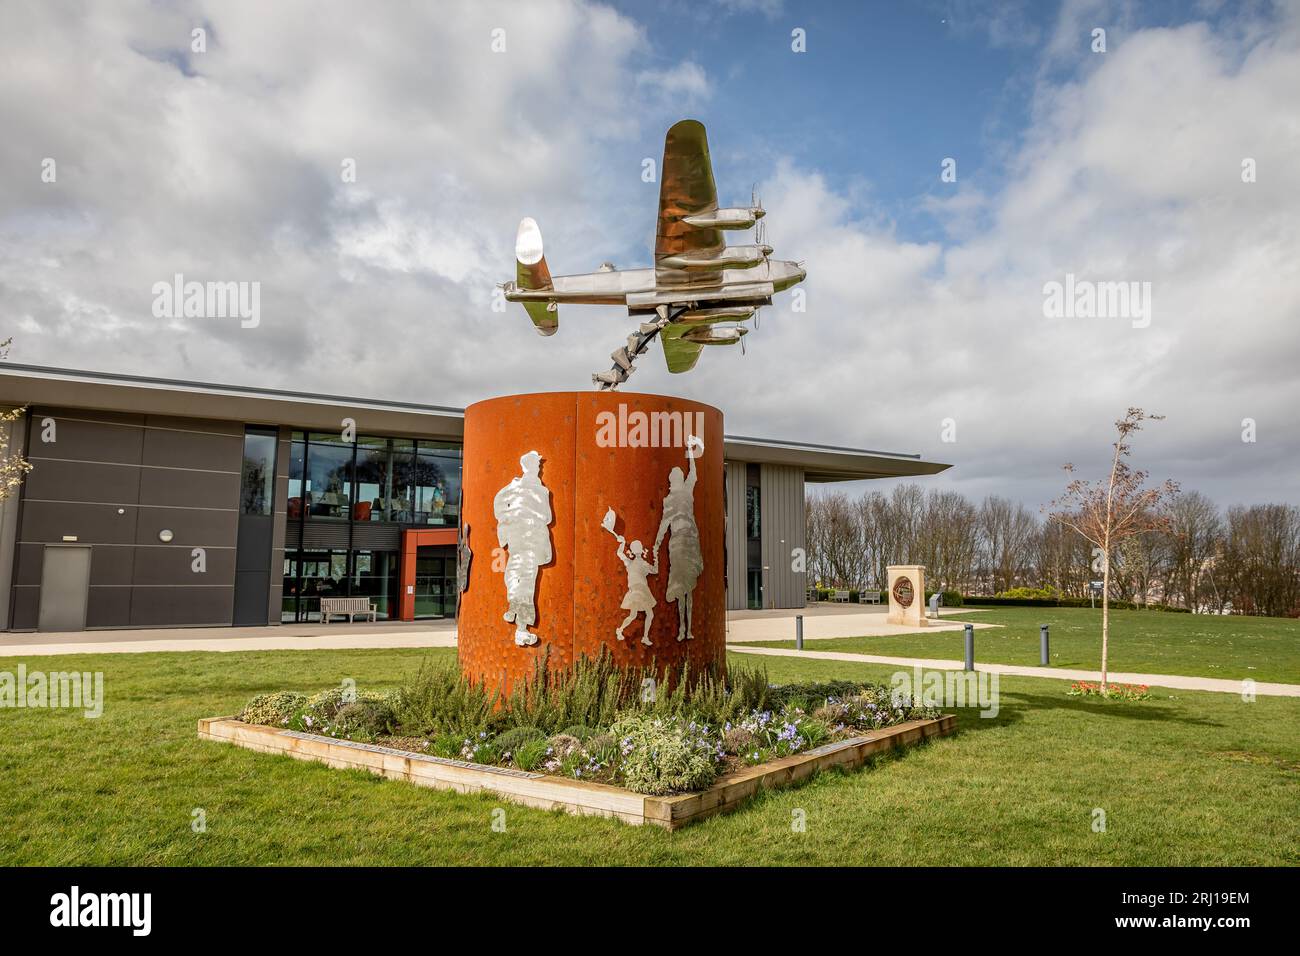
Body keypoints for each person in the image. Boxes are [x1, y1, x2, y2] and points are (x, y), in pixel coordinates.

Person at [492, 451, 553, 646]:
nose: (540, 468)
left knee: (514, 575)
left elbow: (499, 503)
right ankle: (521, 628)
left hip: (520, 539)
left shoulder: (513, 487)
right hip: (530, 540)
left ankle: (515, 609)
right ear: (532, 466)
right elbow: (547, 516)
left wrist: (506, 521)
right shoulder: (537, 490)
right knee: (524, 580)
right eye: (538, 464)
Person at [655, 434, 703, 642]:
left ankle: (686, 629)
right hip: (683, 544)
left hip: (686, 542)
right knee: (685, 588)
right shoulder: (678, 496)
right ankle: (684, 628)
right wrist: (690, 452)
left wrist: (690, 452)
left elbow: (694, 473)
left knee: (687, 587)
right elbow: (664, 524)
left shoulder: (679, 494)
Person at [602, 508, 659, 646]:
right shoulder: (641, 563)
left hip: (634, 590)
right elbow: (655, 570)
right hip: (641, 590)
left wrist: (621, 544)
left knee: (633, 615)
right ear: (639, 550)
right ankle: (644, 637)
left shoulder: (630, 563)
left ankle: (620, 629)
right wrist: (656, 557)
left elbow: (619, 554)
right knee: (649, 614)